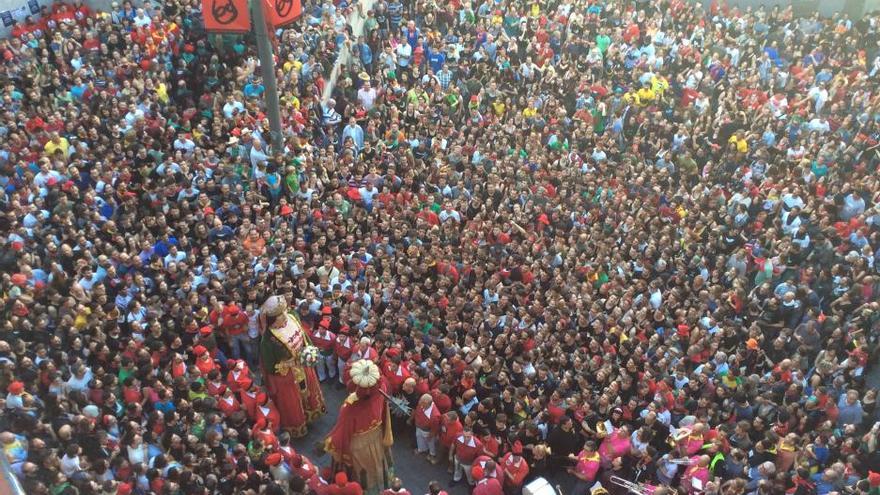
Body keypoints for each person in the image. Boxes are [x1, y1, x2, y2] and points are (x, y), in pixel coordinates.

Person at [259, 295, 326, 437]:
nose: (285, 315)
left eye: (284, 311)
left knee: (308, 392)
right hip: (288, 376)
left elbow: (304, 336)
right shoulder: (268, 340)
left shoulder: (293, 316)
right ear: (272, 320)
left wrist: (309, 350)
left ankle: (310, 414)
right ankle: (299, 422)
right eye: (280, 315)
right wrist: (288, 363)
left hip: (303, 365)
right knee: (294, 400)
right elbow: (271, 366)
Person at [325, 359, 394, 493]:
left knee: (361, 469)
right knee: (378, 462)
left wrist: (329, 442)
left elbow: (342, 432)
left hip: (359, 444)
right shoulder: (382, 390)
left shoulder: (350, 407)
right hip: (377, 436)